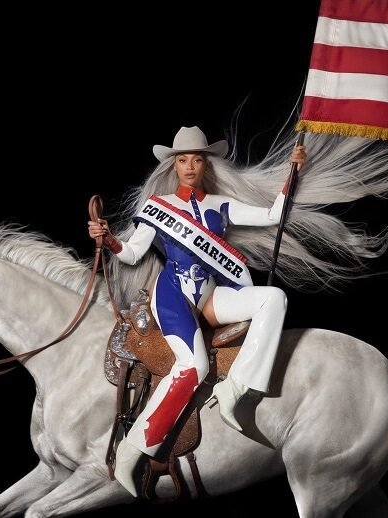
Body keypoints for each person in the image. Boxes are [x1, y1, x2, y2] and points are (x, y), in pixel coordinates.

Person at [89, 126, 305, 496]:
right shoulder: (158, 207)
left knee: (273, 298)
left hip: (210, 295)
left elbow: (273, 214)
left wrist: (293, 171)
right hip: (172, 295)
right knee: (194, 367)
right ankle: (132, 449)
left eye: (197, 160)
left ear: (206, 164)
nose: (190, 166)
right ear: (174, 166)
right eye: (183, 160)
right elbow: (133, 253)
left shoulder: (221, 205)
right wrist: (108, 240)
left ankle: (237, 390)